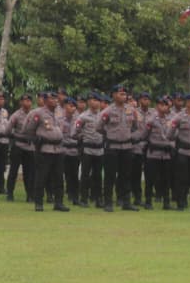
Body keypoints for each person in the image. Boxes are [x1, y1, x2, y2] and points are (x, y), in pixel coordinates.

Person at [24, 90, 68, 212]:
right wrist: (35, 139)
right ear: (44, 100)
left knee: (59, 177)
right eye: (51, 99)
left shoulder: (59, 112)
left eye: (55, 99)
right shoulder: (38, 113)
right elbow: (27, 129)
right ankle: (38, 202)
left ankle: (58, 202)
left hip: (58, 149)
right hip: (44, 149)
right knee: (41, 176)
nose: (55, 101)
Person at [100, 84, 142, 212]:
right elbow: (99, 126)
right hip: (112, 147)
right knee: (110, 176)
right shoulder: (107, 111)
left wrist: (129, 135)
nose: (123, 96)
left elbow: (135, 126)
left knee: (126, 175)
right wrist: (110, 135)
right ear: (113, 95)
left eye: (125, 94)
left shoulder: (131, 110)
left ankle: (126, 202)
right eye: (120, 93)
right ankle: (108, 202)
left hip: (127, 147)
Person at [143, 96, 175, 211]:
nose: (163, 107)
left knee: (166, 179)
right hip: (153, 153)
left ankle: (166, 203)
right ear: (157, 106)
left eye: (166, 105)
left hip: (165, 154)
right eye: (161, 104)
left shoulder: (170, 120)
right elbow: (144, 135)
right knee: (150, 179)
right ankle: (148, 202)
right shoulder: (151, 120)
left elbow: (172, 135)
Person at [74, 93, 105, 208]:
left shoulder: (103, 115)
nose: (95, 102)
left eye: (97, 100)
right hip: (87, 149)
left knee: (98, 176)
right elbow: (75, 131)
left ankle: (98, 199)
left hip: (100, 149)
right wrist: (83, 137)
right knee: (85, 175)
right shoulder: (83, 116)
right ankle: (83, 199)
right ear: (88, 102)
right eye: (93, 100)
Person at [5, 94, 35, 202]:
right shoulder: (16, 115)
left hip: (30, 147)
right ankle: (9, 193)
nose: (27, 102)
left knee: (29, 172)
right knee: (13, 171)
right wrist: (15, 136)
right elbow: (7, 130)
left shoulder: (34, 114)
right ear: (21, 103)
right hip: (18, 146)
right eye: (25, 100)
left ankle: (30, 195)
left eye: (29, 100)